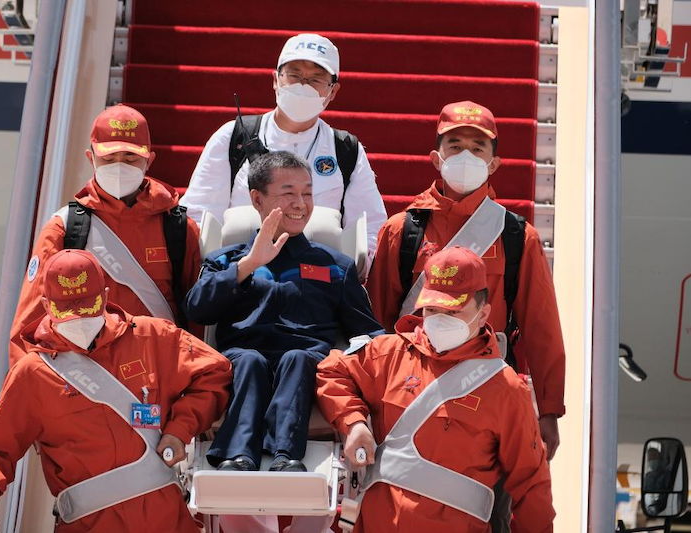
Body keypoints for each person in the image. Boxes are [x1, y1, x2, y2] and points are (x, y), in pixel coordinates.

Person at [0, 249, 231, 533]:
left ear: (106, 295)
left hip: (166, 520)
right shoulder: (32, 374)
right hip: (89, 524)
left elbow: (215, 372)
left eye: (87, 307)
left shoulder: (151, 337)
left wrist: (179, 429)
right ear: (46, 305)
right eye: (65, 310)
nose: (78, 319)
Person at [365, 100, 565, 462]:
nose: (466, 156)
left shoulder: (518, 237)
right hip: (411, 391)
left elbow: (541, 327)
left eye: (477, 149)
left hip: (489, 391)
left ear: (494, 164)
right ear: (436, 157)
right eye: (455, 147)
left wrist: (548, 410)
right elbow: (378, 320)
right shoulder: (401, 230)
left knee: (488, 510)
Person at [316, 247, 555, 532]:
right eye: (432, 309)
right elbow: (332, 371)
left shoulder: (507, 389)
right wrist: (353, 423)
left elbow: (531, 485)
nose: (439, 319)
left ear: (483, 314)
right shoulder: (390, 353)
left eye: (452, 311)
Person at [185, 151, 384, 474]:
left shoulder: (335, 266)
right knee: (250, 361)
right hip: (242, 362)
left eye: (307, 193)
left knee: (297, 358)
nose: (300, 203)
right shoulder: (227, 259)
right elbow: (197, 308)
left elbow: (367, 332)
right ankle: (238, 457)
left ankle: (286, 456)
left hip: (307, 364)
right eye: (288, 193)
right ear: (257, 199)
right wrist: (249, 264)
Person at [9, 104, 203, 367]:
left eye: (131, 158)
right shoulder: (64, 228)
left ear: (150, 160)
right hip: (88, 378)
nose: (120, 167)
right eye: (109, 159)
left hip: (159, 373)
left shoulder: (179, 227)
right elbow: (30, 323)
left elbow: (196, 315)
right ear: (91, 159)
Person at [180, 32, 387, 270]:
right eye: (294, 75)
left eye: (315, 80)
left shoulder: (345, 149)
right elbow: (199, 217)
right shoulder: (233, 137)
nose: (303, 87)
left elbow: (369, 227)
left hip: (317, 285)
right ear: (276, 80)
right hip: (241, 278)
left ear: (333, 92)